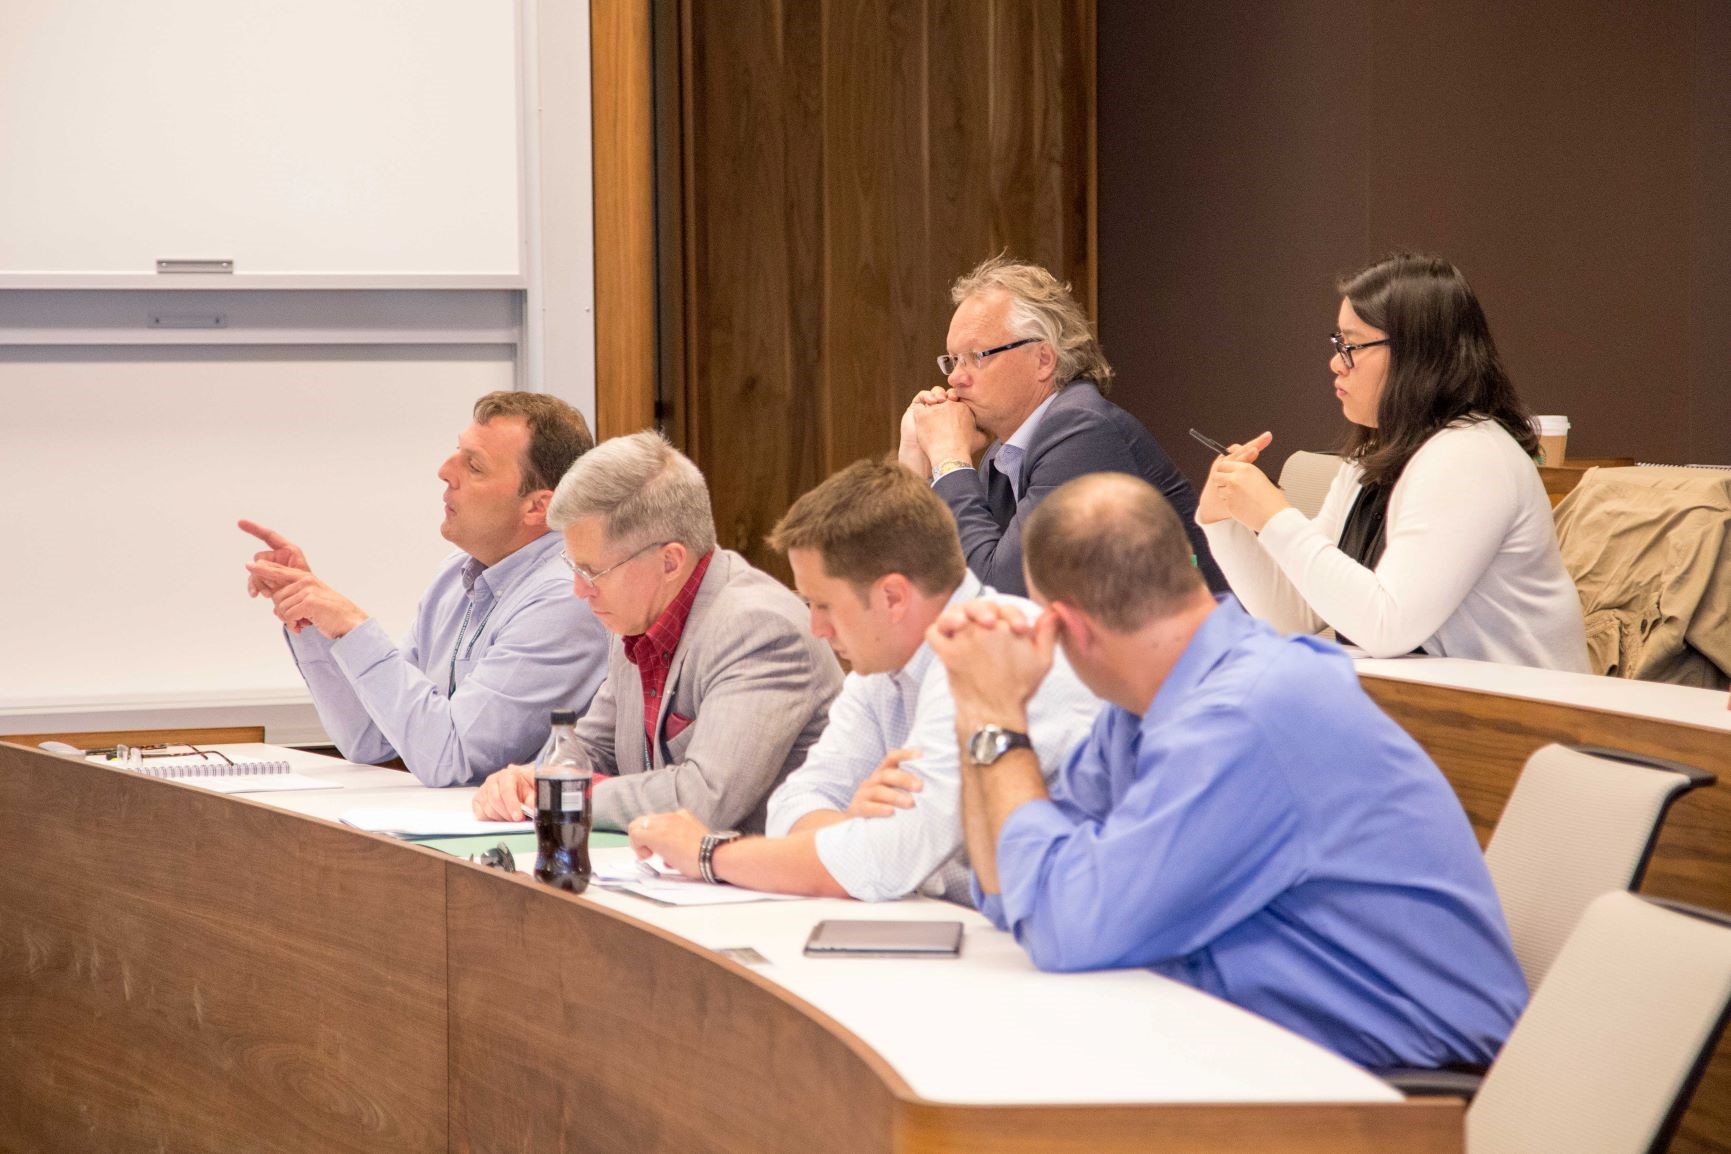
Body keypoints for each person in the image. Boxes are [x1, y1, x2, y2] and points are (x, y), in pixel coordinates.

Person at [926, 472, 1528, 1070]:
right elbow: (1018, 890)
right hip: (1267, 1052)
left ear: (1068, 629)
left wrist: (1002, 718)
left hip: (1412, 1090)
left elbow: (1064, 926)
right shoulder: (1143, 709)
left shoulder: (1248, 713)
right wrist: (976, 709)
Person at [625, 458, 1101, 901]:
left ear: (893, 597)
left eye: (824, 605)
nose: (815, 628)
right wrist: (855, 824)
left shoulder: (993, 646)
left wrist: (708, 854)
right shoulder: (884, 661)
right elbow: (792, 803)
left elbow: (887, 863)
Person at [1197, 252, 1589, 670]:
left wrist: (1275, 516)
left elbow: (1386, 626)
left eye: (1351, 346)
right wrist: (1224, 521)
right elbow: (1293, 615)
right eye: (1337, 344)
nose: (1335, 363)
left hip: (1528, 715)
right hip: (1436, 707)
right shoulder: (1374, 456)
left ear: (1416, 353)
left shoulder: (1471, 456)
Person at [471, 431, 842, 833]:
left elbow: (703, 799)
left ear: (670, 562)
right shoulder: (631, 617)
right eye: (575, 569)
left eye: (593, 572)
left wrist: (561, 793)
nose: (580, 591)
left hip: (777, 884)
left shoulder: (759, 629)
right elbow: (596, 749)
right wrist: (528, 779)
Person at [242, 391, 609, 787]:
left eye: (474, 466)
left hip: (526, 843)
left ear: (538, 507)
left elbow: (453, 759)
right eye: (457, 452)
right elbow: (368, 736)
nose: (444, 471)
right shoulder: (456, 575)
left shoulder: (563, 598)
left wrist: (352, 627)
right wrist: (312, 618)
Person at [897, 255, 1224, 596]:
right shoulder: (1004, 455)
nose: (955, 377)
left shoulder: (1082, 431)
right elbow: (925, 594)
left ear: (1043, 359)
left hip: (1194, 646)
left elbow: (1002, 598)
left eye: (977, 357)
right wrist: (915, 469)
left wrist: (949, 459)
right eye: (952, 360)